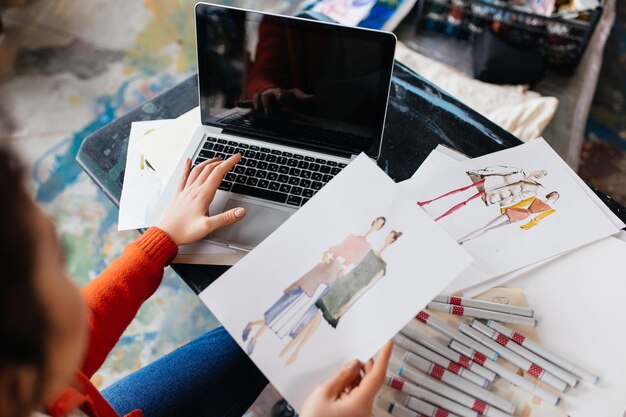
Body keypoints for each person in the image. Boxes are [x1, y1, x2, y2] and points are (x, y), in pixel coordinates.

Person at [0, 145, 392, 417]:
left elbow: (84, 326)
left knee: (254, 337)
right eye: (57, 260)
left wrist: (160, 240)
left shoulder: (22, 368)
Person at [241, 217, 386, 356]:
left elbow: (353, 265)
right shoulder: (352, 237)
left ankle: (253, 330)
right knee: (289, 303)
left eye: (379, 226)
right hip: (321, 270)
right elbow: (335, 248)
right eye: (377, 223)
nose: (376, 226)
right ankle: (254, 335)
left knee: (297, 310)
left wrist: (342, 272)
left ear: (379, 229)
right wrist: (326, 254)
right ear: (373, 222)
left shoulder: (367, 248)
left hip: (333, 277)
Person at [279, 231, 403, 366]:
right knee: (316, 315)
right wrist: (343, 272)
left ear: (392, 242)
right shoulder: (370, 251)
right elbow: (354, 264)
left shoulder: (382, 267)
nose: (387, 240)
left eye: (390, 239)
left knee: (319, 318)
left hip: (350, 292)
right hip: (343, 283)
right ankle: (294, 347)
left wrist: (347, 305)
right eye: (388, 236)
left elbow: (365, 288)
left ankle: (296, 349)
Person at [457, 191, 559, 244]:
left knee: (488, 228)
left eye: (553, 196)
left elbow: (524, 205)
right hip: (520, 215)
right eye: (552, 195)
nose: (551, 196)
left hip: (519, 214)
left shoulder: (543, 203)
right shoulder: (545, 203)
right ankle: (463, 240)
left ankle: (463, 240)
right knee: (488, 228)